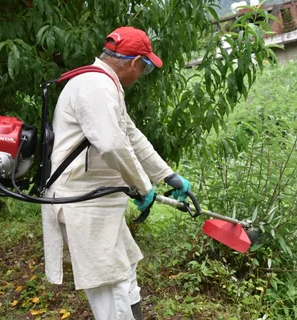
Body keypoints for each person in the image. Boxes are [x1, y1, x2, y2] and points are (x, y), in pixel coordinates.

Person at [40, 26, 191, 320]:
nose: (141, 75)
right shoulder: (96, 87)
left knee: (126, 274)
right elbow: (111, 145)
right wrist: (144, 188)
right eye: (145, 67)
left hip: (100, 205)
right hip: (83, 206)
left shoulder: (106, 85)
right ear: (135, 63)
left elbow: (130, 136)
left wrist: (168, 176)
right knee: (113, 291)